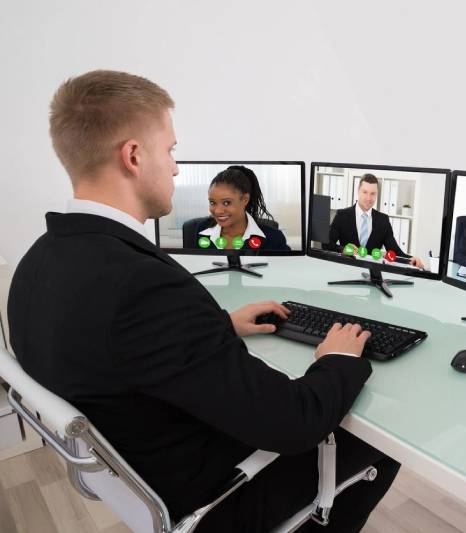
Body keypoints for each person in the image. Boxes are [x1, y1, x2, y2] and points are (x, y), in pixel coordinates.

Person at [8, 70, 399, 532]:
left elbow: (112, 349)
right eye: (170, 150)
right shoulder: (142, 286)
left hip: (145, 471)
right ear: (133, 156)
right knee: (379, 447)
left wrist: (219, 326)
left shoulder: (38, 261)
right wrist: (335, 359)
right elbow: (294, 422)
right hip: (216, 498)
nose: (175, 167)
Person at [325, 173, 424, 268]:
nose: (368, 198)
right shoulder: (342, 215)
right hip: (346, 270)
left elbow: (395, 252)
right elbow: (326, 244)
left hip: (371, 274)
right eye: (365, 192)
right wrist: (343, 249)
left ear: (377, 194)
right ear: (358, 190)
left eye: (373, 194)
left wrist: (411, 259)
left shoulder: (383, 220)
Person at [191, 165, 290, 251]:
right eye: (212, 202)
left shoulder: (273, 238)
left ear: (245, 200)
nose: (217, 211)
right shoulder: (199, 231)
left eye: (226, 203)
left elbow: (286, 270)